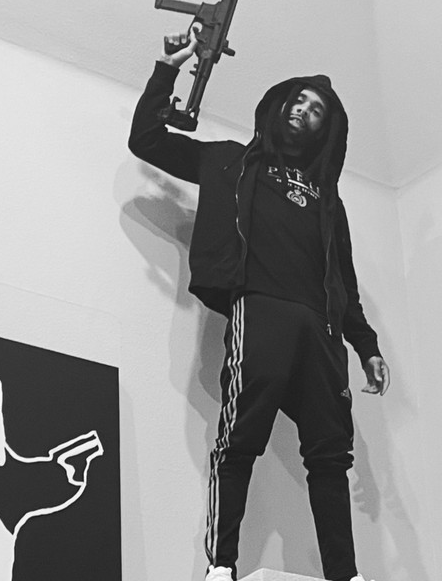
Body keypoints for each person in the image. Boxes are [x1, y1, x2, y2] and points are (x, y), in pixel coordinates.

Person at [128, 29, 390, 581]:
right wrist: (167, 68)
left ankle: (346, 575)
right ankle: (222, 566)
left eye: (316, 110)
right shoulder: (229, 161)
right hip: (262, 312)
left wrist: (366, 346)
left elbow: (344, 281)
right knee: (240, 438)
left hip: (320, 330)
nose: (303, 110)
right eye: (298, 99)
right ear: (280, 105)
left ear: (325, 130)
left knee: (330, 457)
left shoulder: (329, 202)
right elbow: (147, 140)